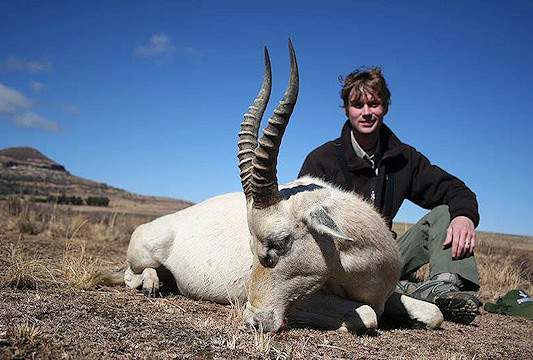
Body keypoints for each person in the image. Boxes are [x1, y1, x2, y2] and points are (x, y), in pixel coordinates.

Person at [298, 67, 481, 324]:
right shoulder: (322, 160)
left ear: (385, 107)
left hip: (388, 255)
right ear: (346, 109)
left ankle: (445, 288)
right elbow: (300, 223)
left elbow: (455, 189)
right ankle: (405, 292)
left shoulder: (403, 158)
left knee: (447, 212)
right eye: (358, 104)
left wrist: (464, 216)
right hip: (343, 263)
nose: (366, 112)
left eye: (374, 104)